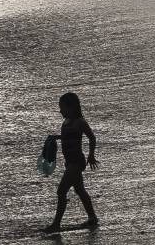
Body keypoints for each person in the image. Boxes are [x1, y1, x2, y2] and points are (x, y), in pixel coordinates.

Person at [42, 92, 99, 233]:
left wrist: (91, 155)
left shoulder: (80, 122)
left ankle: (56, 224)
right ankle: (92, 218)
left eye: (62, 108)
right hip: (69, 162)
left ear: (72, 107)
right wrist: (55, 138)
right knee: (80, 190)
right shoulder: (66, 122)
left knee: (61, 191)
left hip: (76, 162)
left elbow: (92, 137)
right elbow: (68, 137)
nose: (60, 111)